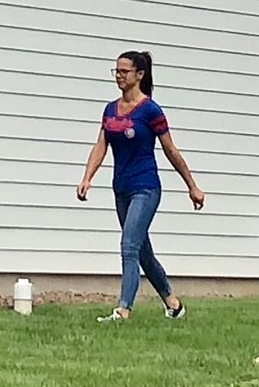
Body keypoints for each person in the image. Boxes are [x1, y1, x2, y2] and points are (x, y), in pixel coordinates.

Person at [76, 49, 204, 321]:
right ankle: (174, 304)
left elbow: (171, 150)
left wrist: (191, 186)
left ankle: (123, 310)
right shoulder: (110, 110)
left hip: (145, 187)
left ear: (140, 75)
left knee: (129, 245)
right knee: (142, 250)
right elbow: (101, 146)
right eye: (117, 71)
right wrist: (87, 177)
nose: (119, 76)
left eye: (125, 71)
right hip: (120, 188)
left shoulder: (150, 110)